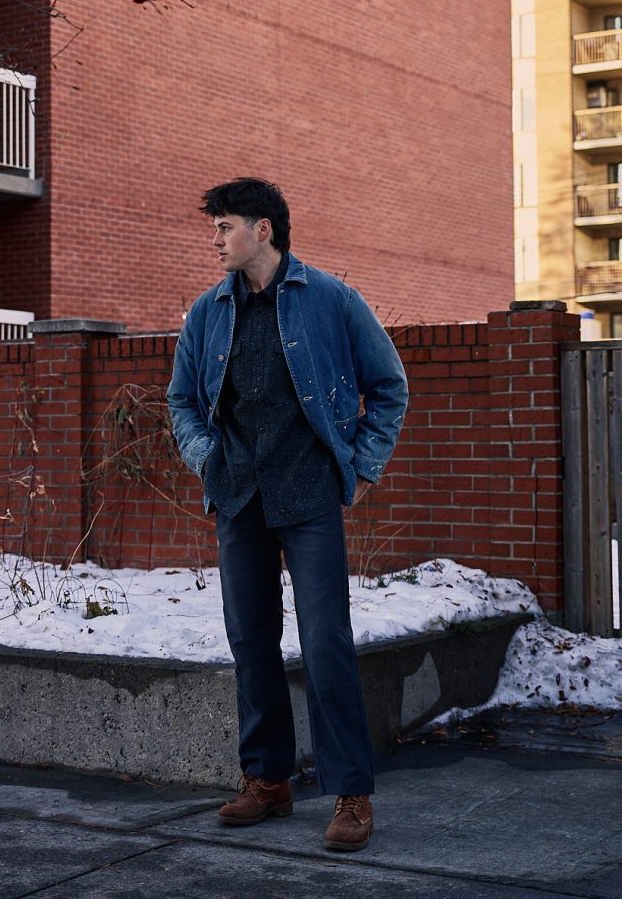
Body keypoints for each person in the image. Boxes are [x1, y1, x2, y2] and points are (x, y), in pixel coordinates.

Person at [167, 178, 408, 851]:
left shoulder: (330, 299)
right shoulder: (208, 312)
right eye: (215, 229)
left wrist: (362, 466)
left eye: (225, 227)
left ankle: (350, 793)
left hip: (307, 494)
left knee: (325, 640)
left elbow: (388, 385)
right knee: (250, 639)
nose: (216, 240)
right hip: (238, 494)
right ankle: (268, 779)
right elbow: (181, 399)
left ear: (263, 230)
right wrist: (205, 456)